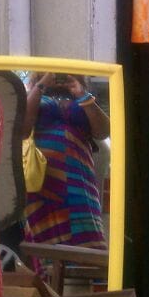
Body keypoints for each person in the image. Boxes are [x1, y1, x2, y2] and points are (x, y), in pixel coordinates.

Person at [22, 72, 109, 249]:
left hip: (79, 178)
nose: (59, 75)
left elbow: (103, 131)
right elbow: (21, 126)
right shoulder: (34, 94)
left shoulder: (83, 97)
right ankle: (48, 269)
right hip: (42, 179)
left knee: (87, 232)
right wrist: (41, 85)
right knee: (44, 238)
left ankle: (85, 267)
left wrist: (81, 93)